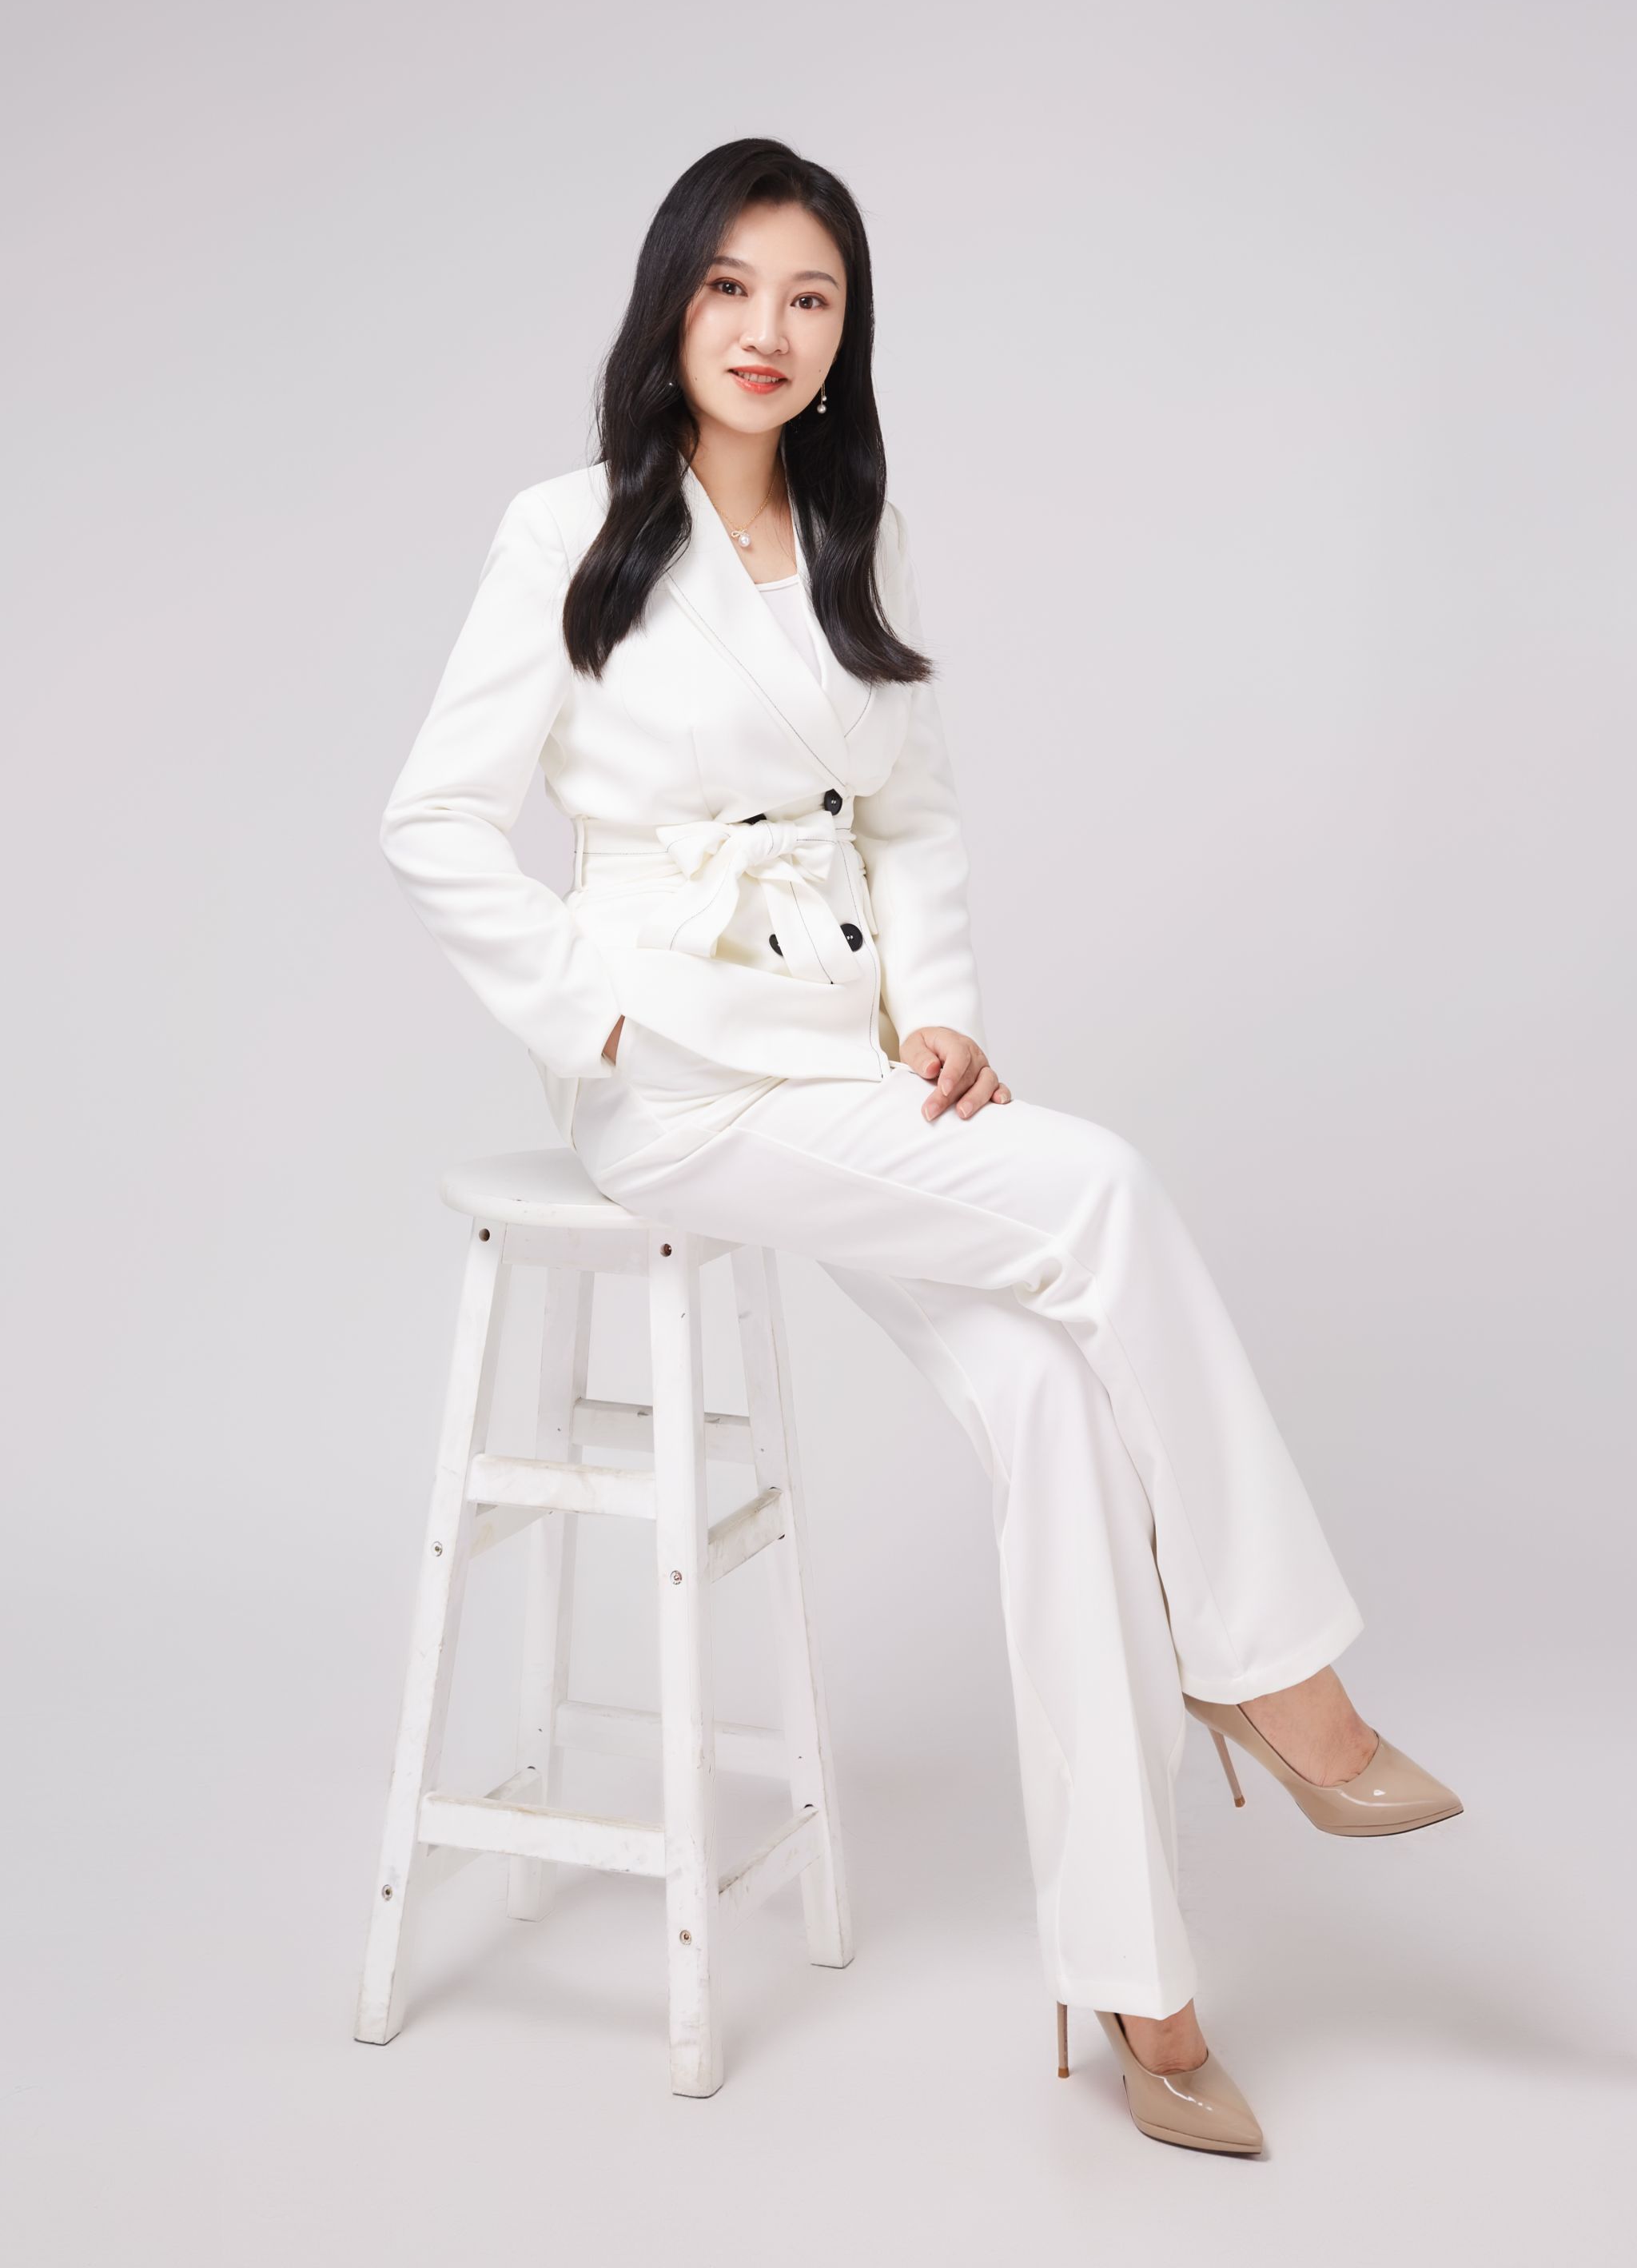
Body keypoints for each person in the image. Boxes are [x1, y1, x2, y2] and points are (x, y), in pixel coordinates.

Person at [377, 137, 1462, 2155]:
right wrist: (590, 1016)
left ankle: (1136, 1982)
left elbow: (909, 813)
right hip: (676, 1080)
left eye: (809, 298)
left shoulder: (850, 531)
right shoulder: (565, 529)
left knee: (1055, 1403)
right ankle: (1277, 1678)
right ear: (670, 304)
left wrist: (935, 1010)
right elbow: (432, 820)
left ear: (844, 332)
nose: (767, 331)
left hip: (839, 1064)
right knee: (1104, 1188)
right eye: (730, 288)